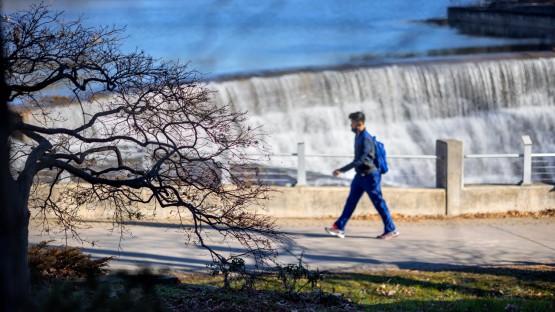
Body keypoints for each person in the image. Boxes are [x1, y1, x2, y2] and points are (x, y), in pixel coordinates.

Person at [325, 111, 399, 240]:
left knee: (379, 203)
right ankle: (339, 227)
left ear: (359, 123)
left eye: (352, 122)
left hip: (371, 177)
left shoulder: (366, 139)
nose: (350, 125)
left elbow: (359, 160)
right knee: (351, 202)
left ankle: (391, 229)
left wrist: (341, 170)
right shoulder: (358, 136)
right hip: (360, 176)